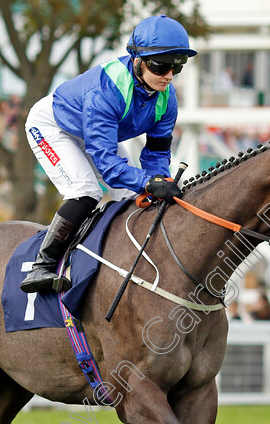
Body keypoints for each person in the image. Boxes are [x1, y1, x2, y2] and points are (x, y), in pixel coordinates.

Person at [20, 15, 196, 293]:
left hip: (100, 133)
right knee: (85, 190)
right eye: (161, 66)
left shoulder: (167, 97)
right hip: (54, 126)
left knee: (131, 198)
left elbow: (157, 151)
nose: (169, 76)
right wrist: (150, 183)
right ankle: (42, 265)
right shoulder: (107, 90)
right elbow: (108, 165)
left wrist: (159, 180)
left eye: (177, 66)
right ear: (137, 59)